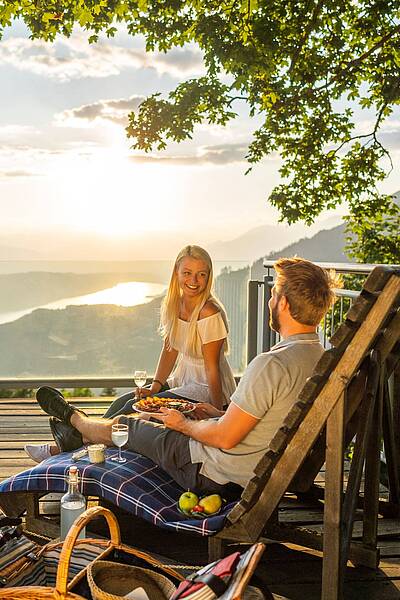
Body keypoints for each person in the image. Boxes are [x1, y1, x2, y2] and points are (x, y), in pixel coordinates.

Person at [33, 258, 340, 496]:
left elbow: (225, 438)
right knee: (150, 415)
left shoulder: (271, 364)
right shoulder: (319, 359)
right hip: (249, 463)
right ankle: (76, 436)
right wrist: (217, 413)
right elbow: (259, 420)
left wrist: (185, 425)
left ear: (284, 304)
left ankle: (74, 421)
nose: (271, 301)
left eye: (273, 295)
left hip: (213, 471)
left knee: (128, 425)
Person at [25, 245, 236, 462]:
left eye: (202, 274)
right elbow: (169, 350)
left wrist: (217, 411)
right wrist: (155, 385)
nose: (194, 280)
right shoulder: (175, 304)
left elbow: (212, 368)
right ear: (176, 273)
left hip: (204, 388)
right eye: (187, 273)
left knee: (132, 415)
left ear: (209, 277)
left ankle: (61, 450)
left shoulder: (208, 312)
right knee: (122, 404)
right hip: (182, 380)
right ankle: (77, 441)